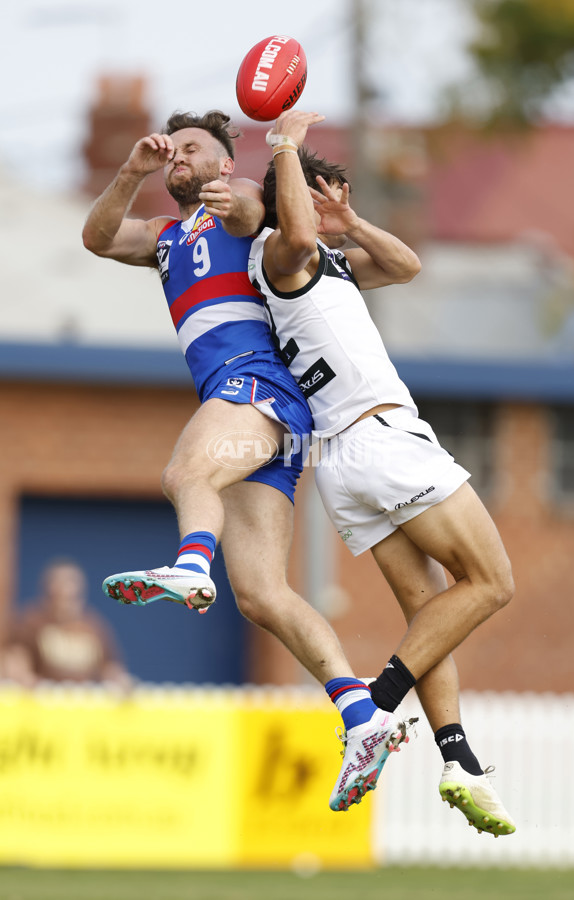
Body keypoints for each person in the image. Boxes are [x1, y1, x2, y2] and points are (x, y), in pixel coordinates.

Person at [82, 109, 415, 813]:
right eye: (174, 148)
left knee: (184, 474)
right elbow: (98, 237)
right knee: (263, 596)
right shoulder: (166, 237)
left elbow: (251, 210)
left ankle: (189, 567)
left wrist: (243, 192)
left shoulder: (237, 202)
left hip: (254, 386)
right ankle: (363, 720)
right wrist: (134, 169)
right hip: (269, 425)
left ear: (223, 160)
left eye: (193, 148)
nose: (179, 155)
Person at [247, 108, 516, 836]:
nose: (338, 203)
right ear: (296, 194)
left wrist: (353, 223)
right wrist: (285, 147)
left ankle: (456, 757)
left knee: (430, 616)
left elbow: (406, 265)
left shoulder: (330, 261)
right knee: (493, 582)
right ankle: (379, 704)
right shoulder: (282, 252)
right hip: (382, 440)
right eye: (325, 190)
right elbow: (299, 230)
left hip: (348, 461)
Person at [1, 559, 131, 688]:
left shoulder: (93, 625)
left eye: (71, 598)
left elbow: (111, 668)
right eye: (58, 596)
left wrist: (119, 681)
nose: (65, 606)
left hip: (83, 701)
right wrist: (30, 681)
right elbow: (16, 665)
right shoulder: (30, 623)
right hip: (42, 700)